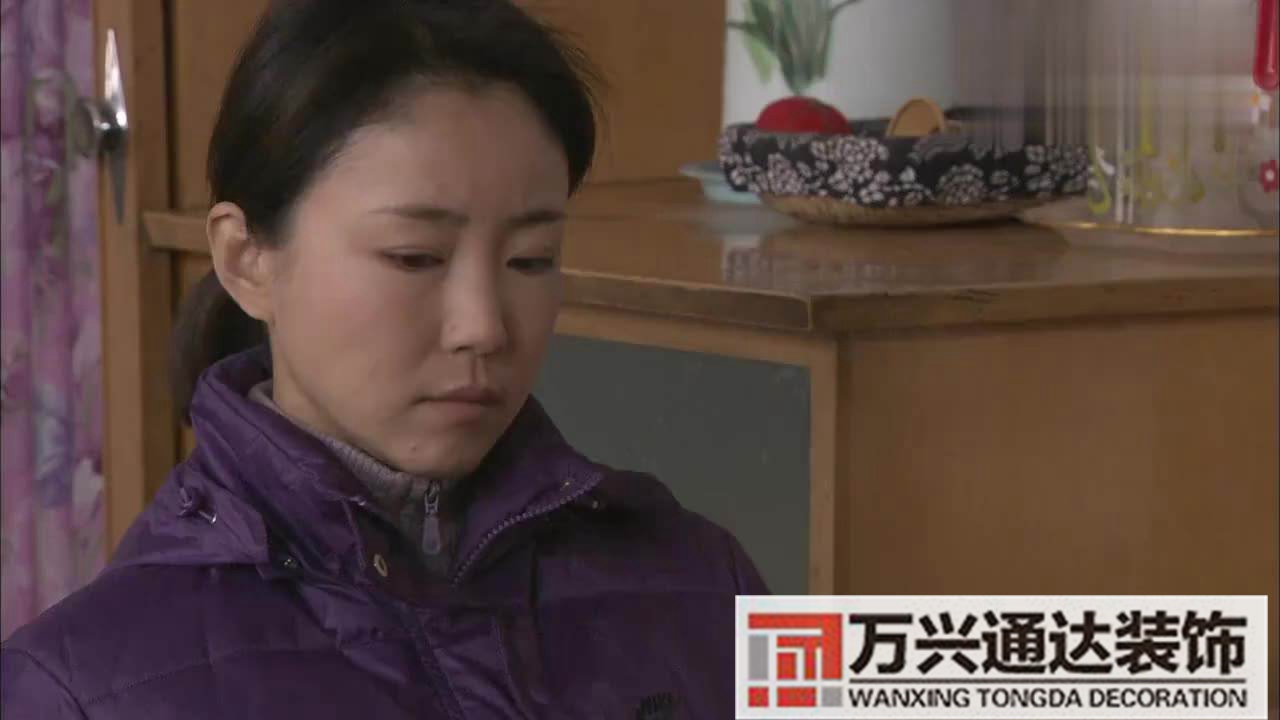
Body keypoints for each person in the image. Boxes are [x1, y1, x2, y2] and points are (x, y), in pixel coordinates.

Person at [0, 1, 768, 717]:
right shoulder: (71, 690)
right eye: (413, 257)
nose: (484, 327)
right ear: (246, 260)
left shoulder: (711, 578)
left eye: (531, 260)